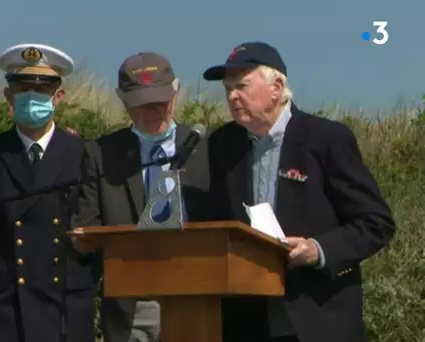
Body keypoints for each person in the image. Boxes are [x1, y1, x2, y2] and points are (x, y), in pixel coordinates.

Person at [202, 41, 396, 342]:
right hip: (247, 319)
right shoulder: (222, 144)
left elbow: (375, 222)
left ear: (277, 87)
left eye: (241, 85)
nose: (232, 96)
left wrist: (318, 250)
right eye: (228, 89)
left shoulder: (326, 139)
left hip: (317, 316)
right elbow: (213, 221)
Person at [0, 43, 94, 342]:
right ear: (9, 95)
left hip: (64, 313)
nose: (32, 96)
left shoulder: (83, 155)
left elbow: (96, 238)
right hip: (3, 314)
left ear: (58, 97)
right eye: (23, 88)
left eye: (42, 89)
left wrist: (79, 285)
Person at [70, 52, 212, 342]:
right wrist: (82, 240)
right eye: (143, 103)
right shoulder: (101, 154)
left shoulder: (207, 148)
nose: (155, 110)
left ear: (176, 91)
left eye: (162, 100)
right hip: (135, 305)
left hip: (199, 297)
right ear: (122, 100)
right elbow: (86, 225)